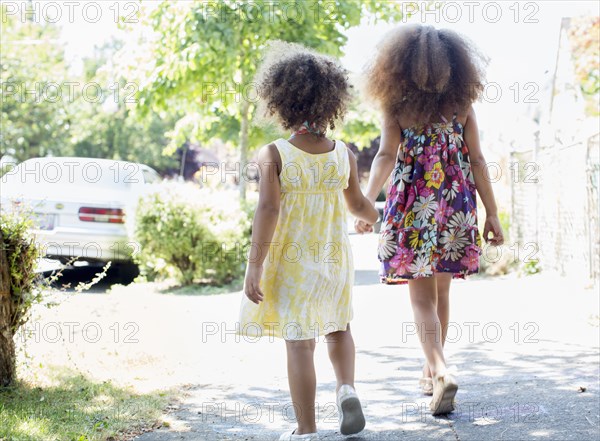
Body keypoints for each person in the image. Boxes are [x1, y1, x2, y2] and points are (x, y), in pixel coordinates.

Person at [355, 24, 505, 415]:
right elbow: (477, 161)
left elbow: (385, 157)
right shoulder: (462, 106)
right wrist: (492, 213)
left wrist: (366, 200)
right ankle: (431, 367)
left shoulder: (397, 107)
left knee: (420, 298)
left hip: (412, 209)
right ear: (455, 66)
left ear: (400, 66)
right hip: (454, 206)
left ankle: (439, 369)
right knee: (441, 294)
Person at [239, 41, 379, 440]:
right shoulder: (343, 154)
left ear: (280, 100)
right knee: (339, 327)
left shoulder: (275, 153)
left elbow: (267, 211)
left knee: (300, 342)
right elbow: (358, 205)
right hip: (335, 257)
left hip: (294, 260)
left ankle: (307, 429)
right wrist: (376, 218)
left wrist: (254, 265)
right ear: (331, 102)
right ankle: (347, 389)